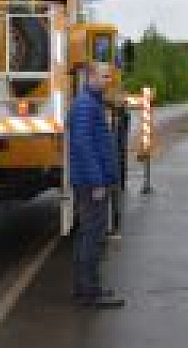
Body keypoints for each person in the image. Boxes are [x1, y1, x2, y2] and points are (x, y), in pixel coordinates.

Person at [67, 63, 125, 308]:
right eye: (104, 76)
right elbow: (83, 146)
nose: (108, 80)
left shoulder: (91, 103)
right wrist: (97, 181)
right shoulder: (85, 105)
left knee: (88, 235)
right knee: (93, 236)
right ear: (90, 77)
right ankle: (90, 292)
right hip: (92, 184)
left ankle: (85, 288)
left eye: (109, 77)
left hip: (93, 180)